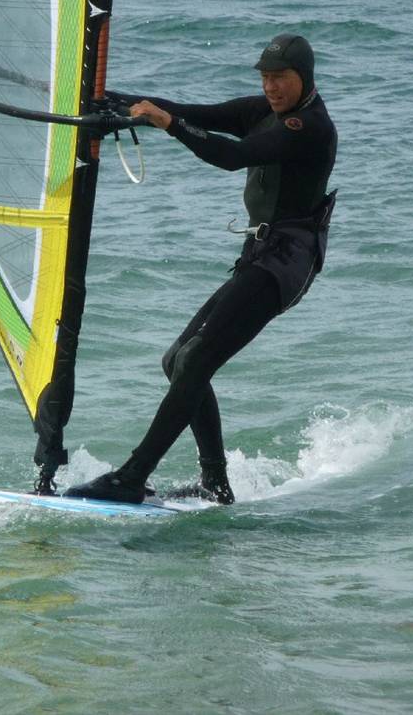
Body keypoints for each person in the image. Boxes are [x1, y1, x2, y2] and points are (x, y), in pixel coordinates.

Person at [65, 33, 337, 505]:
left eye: (280, 78)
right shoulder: (263, 110)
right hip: (260, 254)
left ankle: (132, 476)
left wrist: (168, 124)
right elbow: (198, 113)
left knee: (195, 359)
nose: (271, 87)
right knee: (178, 361)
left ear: (304, 77)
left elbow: (231, 156)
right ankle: (215, 483)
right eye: (266, 77)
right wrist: (116, 102)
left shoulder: (308, 127)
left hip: (287, 262)